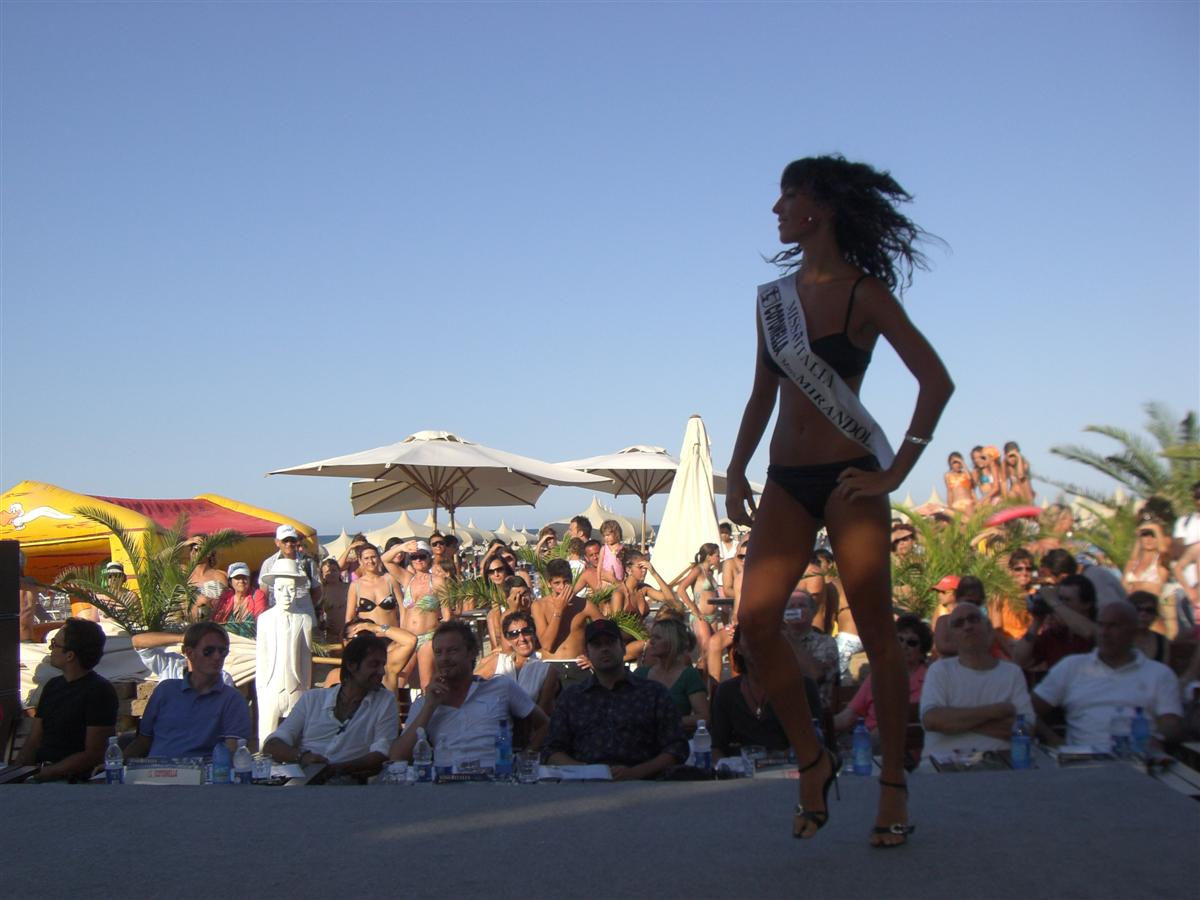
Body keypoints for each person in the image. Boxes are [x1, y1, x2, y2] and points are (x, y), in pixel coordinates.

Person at [725, 155, 953, 845]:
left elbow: (936, 382)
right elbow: (763, 393)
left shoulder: (864, 293)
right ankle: (812, 759)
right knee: (754, 624)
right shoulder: (773, 300)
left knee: (879, 635)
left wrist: (895, 472)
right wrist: (736, 468)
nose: (776, 210)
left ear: (818, 209)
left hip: (852, 476)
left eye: (787, 197)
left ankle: (893, 784)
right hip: (786, 479)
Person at [543, 619, 688, 780]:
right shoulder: (572, 698)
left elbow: (677, 747)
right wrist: (587, 772)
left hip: (644, 785)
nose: (604, 649)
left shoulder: (653, 694)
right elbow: (551, 750)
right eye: (597, 645)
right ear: (587, 653)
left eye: (610, 642)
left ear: (623, 647)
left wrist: (636, 772)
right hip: (584, 785)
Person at [389, 621, 547, 764]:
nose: (444, 658)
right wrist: (429, 707)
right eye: (438, 652)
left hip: (494, 779)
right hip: (446, 781)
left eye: (452, 651)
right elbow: (397, 756)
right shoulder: (425, 703)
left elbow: (544, 724)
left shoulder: (501, 687)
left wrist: (526, 758)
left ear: (471, 652)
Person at [1033, 600, 1182, 748]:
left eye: (1114, 626)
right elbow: (1029, 710)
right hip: (1082, 757)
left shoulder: (1159, 674)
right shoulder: (1072, 667)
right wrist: (1053, 740)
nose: (1104, 633)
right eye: (1100, 625)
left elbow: (1171, 723)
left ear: (1133, 632)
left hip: (1138, 756)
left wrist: (1158, 738)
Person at [262, 633, 397, 778]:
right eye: (374, 664)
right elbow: (272, 745)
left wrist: (333, 770)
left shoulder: (385, 701)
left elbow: (382, 753)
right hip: (303, 780)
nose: (381, 672)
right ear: (352, 666)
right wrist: (303, 757)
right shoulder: (312, 699)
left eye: (382, 665)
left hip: (350, 782)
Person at [919, 603, 1035, 759]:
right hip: (944, 765)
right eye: (959, 623)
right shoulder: (939, 670)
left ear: (988, 629)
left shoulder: (1012, 673)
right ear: (952, 636)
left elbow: (1026, 730)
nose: (967, 626)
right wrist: (996, 711)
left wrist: (957, 723)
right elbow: (932, 720)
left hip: (1002, 765)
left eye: (973, 619)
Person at [124, 622, 250, 759]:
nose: (217, 657)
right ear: (189, 653)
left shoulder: (232, 699)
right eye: (208, 651)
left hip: (203, 770)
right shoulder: (165, 690)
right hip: (156, 768)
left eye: (223, 651)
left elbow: (232, 752)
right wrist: (117, 762)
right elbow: (143, 741)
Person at [16, 618, 118, 782]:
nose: (50, 649)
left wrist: (46, 773)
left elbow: (94, 753)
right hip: (40, 774)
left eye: (54, 644)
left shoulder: (99, 691)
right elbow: (34, 739)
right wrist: (18, 772)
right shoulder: (53, 686)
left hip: (71, 780)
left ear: (70, 655)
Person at [711, 626, 818, 761]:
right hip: (741, 769)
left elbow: (815, 743)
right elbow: (716, 748)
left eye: (763, 636)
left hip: (790, 768)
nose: (756, 642)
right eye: (749, 637)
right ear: (738, 647)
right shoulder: (726, 692)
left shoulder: (801, 687)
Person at [835, 614, 930, 749]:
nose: (904, 646)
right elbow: (848, 716)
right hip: (866, 745)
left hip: (906, 747)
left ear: (922, 652)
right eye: (899, 639)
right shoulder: (878, 676)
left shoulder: (930, 680)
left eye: (912, 643)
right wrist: (819, 725)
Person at [475, 609, 560, 746]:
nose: (522, 638)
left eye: (526, 631)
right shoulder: (497, 662)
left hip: (527, 739)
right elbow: (468, 686)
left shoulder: (546, 670)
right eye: (514, 634)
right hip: (492, 737)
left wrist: (530, 751)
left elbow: (542, 718)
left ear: (534, 633)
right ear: (508, 639)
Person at [533, 558, 605, 686]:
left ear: (571, 581)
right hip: (550, 665)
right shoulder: (539, 606)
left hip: (578, 664)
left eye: (566, 582)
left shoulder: (585, 605)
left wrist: (593, 659)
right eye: (557, 583)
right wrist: (559, 610)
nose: (562, 587)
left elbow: (607, 633)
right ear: (549, 584)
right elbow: (547, 645)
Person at [633, 617, 709, 734]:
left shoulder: (688, 675)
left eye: (657, 638)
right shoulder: (640, 674)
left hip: (676, 737)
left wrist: (668, 721)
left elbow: (704, 717)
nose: (651, 642)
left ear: (672, 642)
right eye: (651, 637)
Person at [1011, 573, 1097, 675]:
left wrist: (1053, 601)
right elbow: (1020, 661)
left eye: (1067, 600)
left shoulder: (1102, 627)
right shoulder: (1055, 634)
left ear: (1087, 604)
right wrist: (1036, 622)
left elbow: (1089, 632)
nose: (1060, 606)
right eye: (1060, 599)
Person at [782, 588, 838, 711]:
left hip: (816, 709)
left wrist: (790, 640)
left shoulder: (826, 642)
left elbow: (815, 675)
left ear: (813, 612)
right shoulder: (777, 643)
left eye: (802, 606)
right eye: (791, 607)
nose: (797, 610)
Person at [259, 525, 321, 614]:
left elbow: (317, 591)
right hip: (278, 615)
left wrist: (306, 610)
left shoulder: (308, 562)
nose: (289, 544)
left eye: (292, 540)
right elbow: (263, 593)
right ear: (277, 542)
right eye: (285, 540)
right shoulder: (268, 564)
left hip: (305, 614)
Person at [989, 550, 1035, 658]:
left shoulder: (1035, 594)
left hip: (1032, 648)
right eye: (1018, 569)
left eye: (1028, 569)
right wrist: (1012, 655)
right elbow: (996, 629)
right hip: (1006, 648)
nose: (1024, 573)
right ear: (1010, 571)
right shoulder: (999, 594)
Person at [1123, 521, 1169, 594]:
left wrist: (1155, 528)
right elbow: (1122, 591)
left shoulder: (1160, 565)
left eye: (1153, 535)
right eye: (1145, 535)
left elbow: (1163, 551)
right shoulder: (1131, 564)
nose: (1149, 539)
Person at [1126, 590, 1170, 664]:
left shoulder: (1161, 641)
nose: (1143, 614)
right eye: (1138, 609)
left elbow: (1163, 667)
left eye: (1149, 610)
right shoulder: (1118, 638)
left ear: (1155, 615)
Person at [317, 558, 350, 643]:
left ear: (339, 571)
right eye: (327, 572)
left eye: (334, 570)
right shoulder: (321, 591)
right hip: (331, 635)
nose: (331, 574)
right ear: (322, 575)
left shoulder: (349, 588)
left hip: (350, 632)